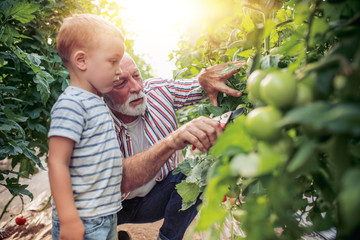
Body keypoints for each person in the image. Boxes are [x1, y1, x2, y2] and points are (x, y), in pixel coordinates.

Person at [103, 53, 245, 240]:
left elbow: (201, 84)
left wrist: (205, 78)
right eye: (121, 83)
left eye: (137, 76)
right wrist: (172, 141)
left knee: (195, 174)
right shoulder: (95, 121)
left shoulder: (158, 91)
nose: (137, 88)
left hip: (152, 200)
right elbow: (120, 180)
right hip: (109, 208)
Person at [47, 14, 125, 240]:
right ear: (81, 61)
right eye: (113, 61)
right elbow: (57, 161)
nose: (119, 70)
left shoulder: (96, 101)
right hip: (84, 219)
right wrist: (69, 220)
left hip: (104, 214)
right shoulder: (72, 104)